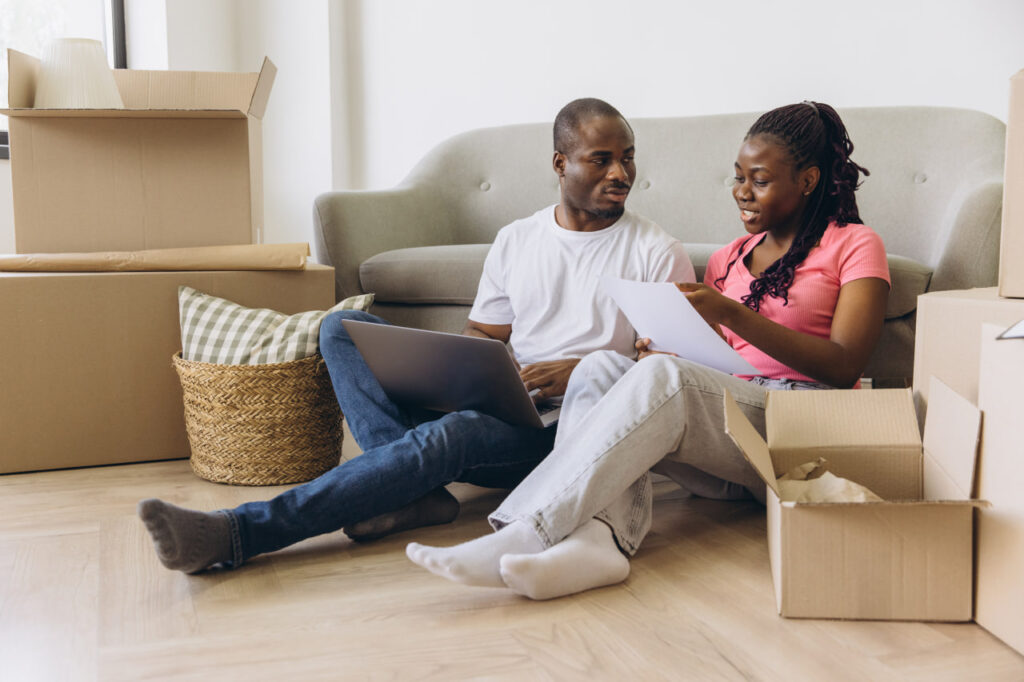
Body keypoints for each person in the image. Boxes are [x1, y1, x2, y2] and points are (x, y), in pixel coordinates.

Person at [137, 98, 696, 573]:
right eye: (602, 160)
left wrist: (574, 370)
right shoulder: (518, 239)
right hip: (507, 403)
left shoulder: (655, 251)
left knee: (449, 436)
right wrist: (463, 366)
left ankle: (238, 534)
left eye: (627, 159)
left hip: (563, 433)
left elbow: (669, 372)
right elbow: (485, 330)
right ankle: (416, 494)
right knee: (341, 329)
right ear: (560, 162)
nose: (621, 174)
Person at [406, 101, 891, 600]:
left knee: (664, 379)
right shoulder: (728, 259)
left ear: (807, 181)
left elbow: (844, 365)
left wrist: (728, 314)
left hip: (800, 427)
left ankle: (528, 528)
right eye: (738, 176)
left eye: (759, 179)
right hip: (730, 443)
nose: (741, 192)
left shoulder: (855, 245)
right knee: (600, 368)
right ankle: (599, 543)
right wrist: (663, 349)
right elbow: (711, 365)